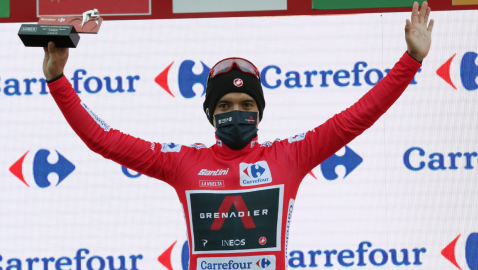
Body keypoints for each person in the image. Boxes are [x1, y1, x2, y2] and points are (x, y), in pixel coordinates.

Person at [42, 2, 433, 269]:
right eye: (225, 106)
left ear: (260, 114)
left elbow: (358, 117)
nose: (237, 113)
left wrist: (411, 59)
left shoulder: (290, 156)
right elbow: (102, 140)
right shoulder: (182, 162)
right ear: (211, 115)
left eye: (247, 105)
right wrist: (57, 79)